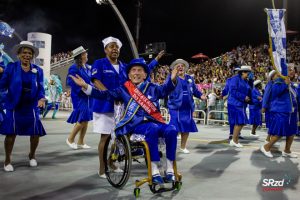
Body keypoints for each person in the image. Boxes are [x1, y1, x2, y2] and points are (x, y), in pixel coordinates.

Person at [70, 58, 178, 184]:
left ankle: (170, 169)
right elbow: (105, 94)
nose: (136, 73)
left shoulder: (152, 87)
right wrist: (86, 86)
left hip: (154, 122)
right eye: (133, 70)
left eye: (140, 70)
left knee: (172, 129)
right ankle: (154, 171)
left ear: (145, 75)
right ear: (129, 75)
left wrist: (173, 79)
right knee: (152, 129)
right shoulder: (123, 89)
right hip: (134, 125)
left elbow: (165, 90)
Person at [91, 36, 165, 178]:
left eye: (117, 47)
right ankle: (102, 168)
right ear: (105, 50)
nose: (115, 49)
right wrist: (109, 95)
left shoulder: (125, 66)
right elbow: (95, 81)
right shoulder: (99, 63)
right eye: (111, 46)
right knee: (105, 137)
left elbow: (140, 72)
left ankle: (111, 162)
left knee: (118, 136)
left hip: (122, 108)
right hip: (104, 106)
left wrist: (155, 61)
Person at [0, 41, 46, 172]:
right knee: (11, 133)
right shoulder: (11, 67)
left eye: (29, 53)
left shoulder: (38, 70)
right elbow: (2, 84)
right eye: (24, 52)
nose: (27, 55)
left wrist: (41, 98)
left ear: (32, 56)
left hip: (31, 105)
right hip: (14, 104)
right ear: (19, 54)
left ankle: (32, 155)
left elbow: (41, 88)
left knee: (35, 132)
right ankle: (7, 160)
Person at [167, 59, 206, 154]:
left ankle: (183, 147)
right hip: (175, 106)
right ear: (175, 68)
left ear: (185, 68)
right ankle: (171, 147)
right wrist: (172, 78)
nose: (180, 67)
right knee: (174, 127)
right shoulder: (172, 77)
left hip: (187, 107)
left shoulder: (189, 78)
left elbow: (195, 90)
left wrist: (201, 96)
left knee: (186, 126)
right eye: (178, 66)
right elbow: (166, 87)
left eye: (182, 66)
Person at [260, 66, 298, 158]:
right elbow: (274, 92)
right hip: (281, 110)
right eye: (289, 70)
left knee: (291, 131)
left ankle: (287, 151)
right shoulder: (278, 81)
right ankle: (266, 147)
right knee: (280, 131)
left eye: (292, 69)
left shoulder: (290, 83)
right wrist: (285, 84)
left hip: (291, 111)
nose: (292, 71)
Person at [66, 46, 93, 149]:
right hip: (79, 96)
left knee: (85, 119)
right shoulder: (74, 67)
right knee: (83, 116)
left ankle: (81, 142)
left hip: (88, 96)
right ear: (81, 56)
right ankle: (70, 139)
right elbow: (71, 81)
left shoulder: (88, 67)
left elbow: (91, 80)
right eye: (85, 53)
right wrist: (83, 88)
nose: (87, 55)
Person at [227, 66, 253, 148]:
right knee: (240, 122)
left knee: (241, 122)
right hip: (234, 103)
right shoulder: (235, 79)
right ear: (243, 72)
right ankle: (234, 140)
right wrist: (243, 97)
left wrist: (251, 81)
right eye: (248, 72)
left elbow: (250, 90)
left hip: (241, 104)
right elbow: (233, 91)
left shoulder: (246, 81)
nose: (249, 74)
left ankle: (234, 140)